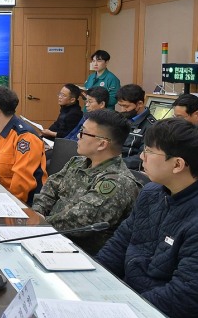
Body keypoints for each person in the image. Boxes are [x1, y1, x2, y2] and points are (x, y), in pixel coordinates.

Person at [96, 118, 198, 318]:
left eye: (149, 151)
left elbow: (185, 295)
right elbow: (119, 245)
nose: (142, 156)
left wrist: (124, 309)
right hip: (126, 295)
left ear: (178, 164)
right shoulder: (151, 192)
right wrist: (93, 281)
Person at [32, 109, 141, 255]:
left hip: (80, 252)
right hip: (49, 236)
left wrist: (41, 222)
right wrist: (37, 212)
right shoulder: (77, 162)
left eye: (83, 132)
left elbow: (80, 221)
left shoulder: (118, 182)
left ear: (102, 144)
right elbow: (50, 188)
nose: (78, 136)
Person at [116, 84, 155, 170]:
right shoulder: (121, 118)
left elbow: (143, 156)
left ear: (139, 104)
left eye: (126, 106)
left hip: (131, 170)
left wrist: (116, 164)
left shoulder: (152, 127)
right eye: (120, 106)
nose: (122, 110)